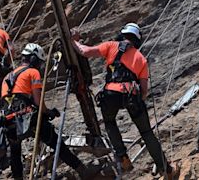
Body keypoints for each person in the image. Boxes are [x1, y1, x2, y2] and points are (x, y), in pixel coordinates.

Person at [71, 23, 179, 179]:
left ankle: (123, 158)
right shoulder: (141, 59)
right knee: (147, 133)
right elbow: (144, 90)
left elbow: (84, 51)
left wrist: (73, 40)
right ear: (137, 40)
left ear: (123, 34)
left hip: (110, 94)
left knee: (109, 122)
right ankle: (166, 170)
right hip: (131, 95)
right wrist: (138, 103)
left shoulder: (111, 46)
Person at [1, 43, 98, 180]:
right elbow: (38, 100)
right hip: (28, 116)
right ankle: (82, 170)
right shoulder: (32, 72)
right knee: (55, 141)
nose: (40, 66)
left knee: (15, 154)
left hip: (9, 119)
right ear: (34, 59)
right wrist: (48, 112)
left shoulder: (7, 77)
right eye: (39, 62)